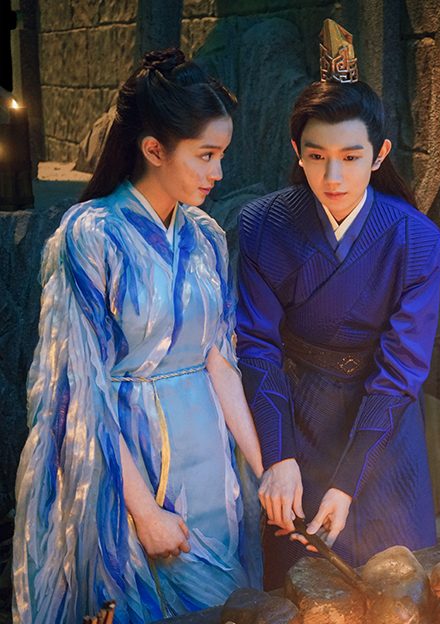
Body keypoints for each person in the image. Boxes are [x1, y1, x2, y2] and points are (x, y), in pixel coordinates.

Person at [13, 49, 264, 624]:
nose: (218, 173)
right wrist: (145, 512)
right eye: (206, 155)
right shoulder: (91, 235)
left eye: (221, 156)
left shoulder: (206, 235)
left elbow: (220, 363)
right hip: (130, 466)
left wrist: (262, 465)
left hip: (212, 464)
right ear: (154, 149)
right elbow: (80, 387)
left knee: (230, 605)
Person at [236, 20, 440, 589]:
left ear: (379, 154)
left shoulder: (417, 239)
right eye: (317, 155)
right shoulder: (261, 225)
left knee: (398, 581)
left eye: (351, 157)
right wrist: (277, 455)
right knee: (300, 584)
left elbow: (402, 368)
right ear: (296, 153)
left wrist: (348, 480)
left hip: (383, 421)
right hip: (294, 410)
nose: (333, 176)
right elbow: (256, 345)